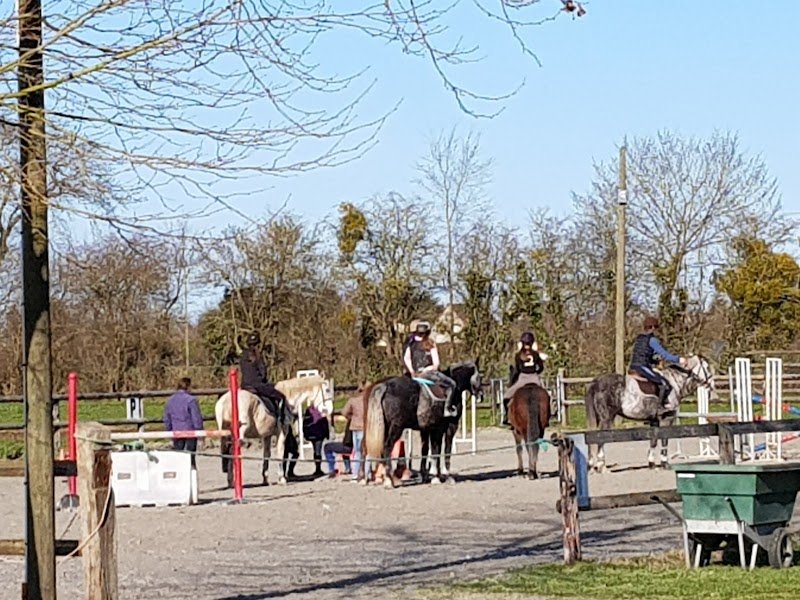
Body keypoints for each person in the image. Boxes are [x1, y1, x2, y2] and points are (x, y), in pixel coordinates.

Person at [629, 316, 687, 412]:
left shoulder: (639, 338)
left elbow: (644, 355)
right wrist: (679, 359)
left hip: (634, 366)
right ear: (652, 328)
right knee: (664, 383)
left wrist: (655, 362)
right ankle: (660, 407)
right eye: (656, 328)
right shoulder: (652, 340)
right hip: (642, 367)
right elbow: (665, 355)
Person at [403, 321, 457, 417]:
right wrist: (428, 369)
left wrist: (411, 371)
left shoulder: (410, 344)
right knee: (452, 384)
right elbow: (436, 363)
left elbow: (406, 358)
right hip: (429, 373)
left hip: (415, 374)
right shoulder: (430, 343)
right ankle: (447, 409)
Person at [239, 331, 286, 420]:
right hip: (257, 385)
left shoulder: (242, 356)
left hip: (244, 385)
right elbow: (263, 373)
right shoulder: (257, 356)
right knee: (281, 397)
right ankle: (280, 420)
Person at [502, 332, 545, 426]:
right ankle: (550, 413)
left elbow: (517, 370)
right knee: (546, 396)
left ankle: (506, 417)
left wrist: (511, 382)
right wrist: (536, 373)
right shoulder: (536, 354)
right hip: (534, 377)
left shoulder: (518, 355)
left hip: (523, 377)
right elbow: (541, 367)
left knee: (506, 397)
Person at [163, 377, 203, 467]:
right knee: (190, 457)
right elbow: (196, 418)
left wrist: (169, 431)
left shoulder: (170, 401)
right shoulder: (191, 400)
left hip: (176, 431)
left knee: (179, 456)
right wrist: (200, 433)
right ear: (188, 387)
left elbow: (167, 418)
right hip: (190, 432)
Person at [341, 389, 365, 481]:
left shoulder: (352, 400)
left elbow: (344, 412)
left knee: (357, 451)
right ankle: (366, 473)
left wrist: (351, 417)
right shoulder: (367, 400)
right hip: (364, 427)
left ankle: (355, 474)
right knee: (365, 452)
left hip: (354, 427)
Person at [302, 403, 330, 478]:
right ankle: (318, 468)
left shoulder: (309, 410)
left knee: (316, 451)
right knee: (317, 451)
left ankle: (318, 468)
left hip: (313, 434)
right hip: (318, 434)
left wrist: (305, 434)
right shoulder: (319, 410)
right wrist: (326, 433)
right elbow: (324, 421)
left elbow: (305, 422)